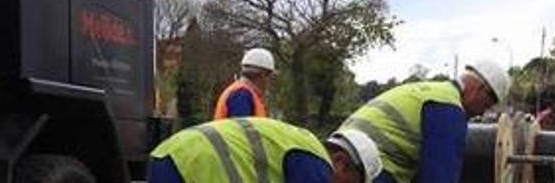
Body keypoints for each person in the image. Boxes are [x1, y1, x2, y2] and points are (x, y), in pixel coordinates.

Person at [341, 59, 510, 183]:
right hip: (370, 170)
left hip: (339, 161)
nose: (482, 112)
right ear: (479, 90)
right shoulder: (448, 108)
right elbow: (439, 176)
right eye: (486, 105)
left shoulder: (429, 91)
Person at [148, 117, 382, 183]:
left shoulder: (299, 144)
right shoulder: (317, 165)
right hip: (196, 166)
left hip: (169, 153)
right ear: (340, 162)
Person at [214, 47, 275, 119]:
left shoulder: (242, 92)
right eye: (270, 77)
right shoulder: (242, 95)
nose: (270, 81)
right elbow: (241, 128)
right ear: (262, 75)